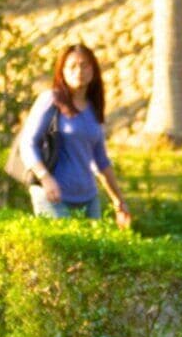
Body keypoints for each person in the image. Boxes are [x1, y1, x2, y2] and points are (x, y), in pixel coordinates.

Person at [9, 42, 135, 227]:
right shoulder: (51, 100)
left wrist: (118, 201)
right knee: (63, 254)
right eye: (72, 66)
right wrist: (45, 178)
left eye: (84, 65)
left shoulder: (93, 108)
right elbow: (28, 143)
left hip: (88, 197)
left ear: (93, 70)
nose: (79, 71)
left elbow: (101, 160)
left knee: (92, 253)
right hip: (53, 194)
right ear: (62, 71)